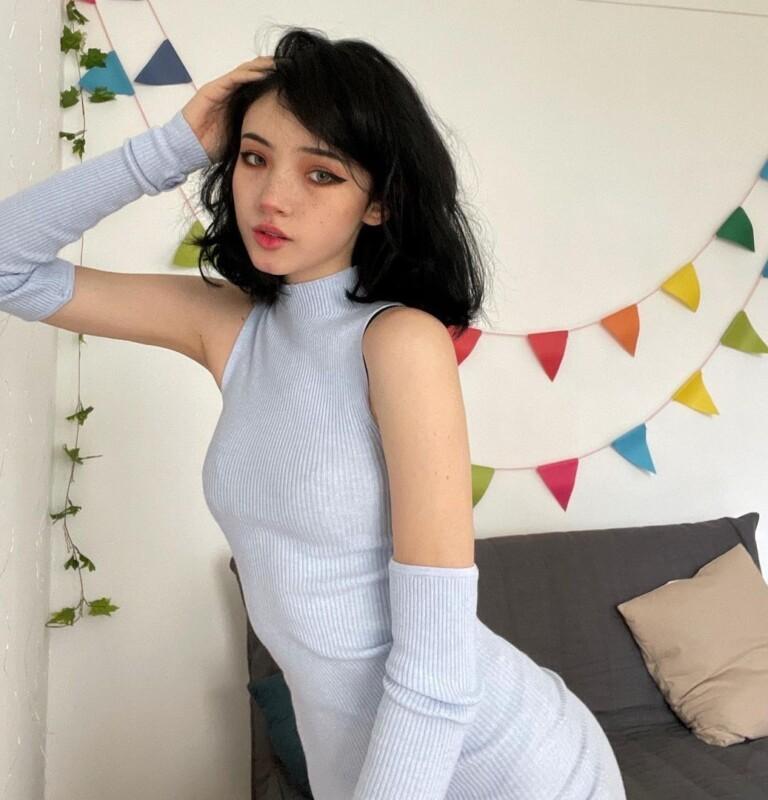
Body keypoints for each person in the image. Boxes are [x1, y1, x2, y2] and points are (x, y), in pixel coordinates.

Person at [0, 25, 627, 799]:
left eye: (322, 173)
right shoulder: (229, 325)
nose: (273, 197)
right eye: (254, 157)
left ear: (379, 202)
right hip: (347, 758)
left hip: (508, 768)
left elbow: (437, 667)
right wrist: (172, 146)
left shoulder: (399, 340)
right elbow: (8, 266)